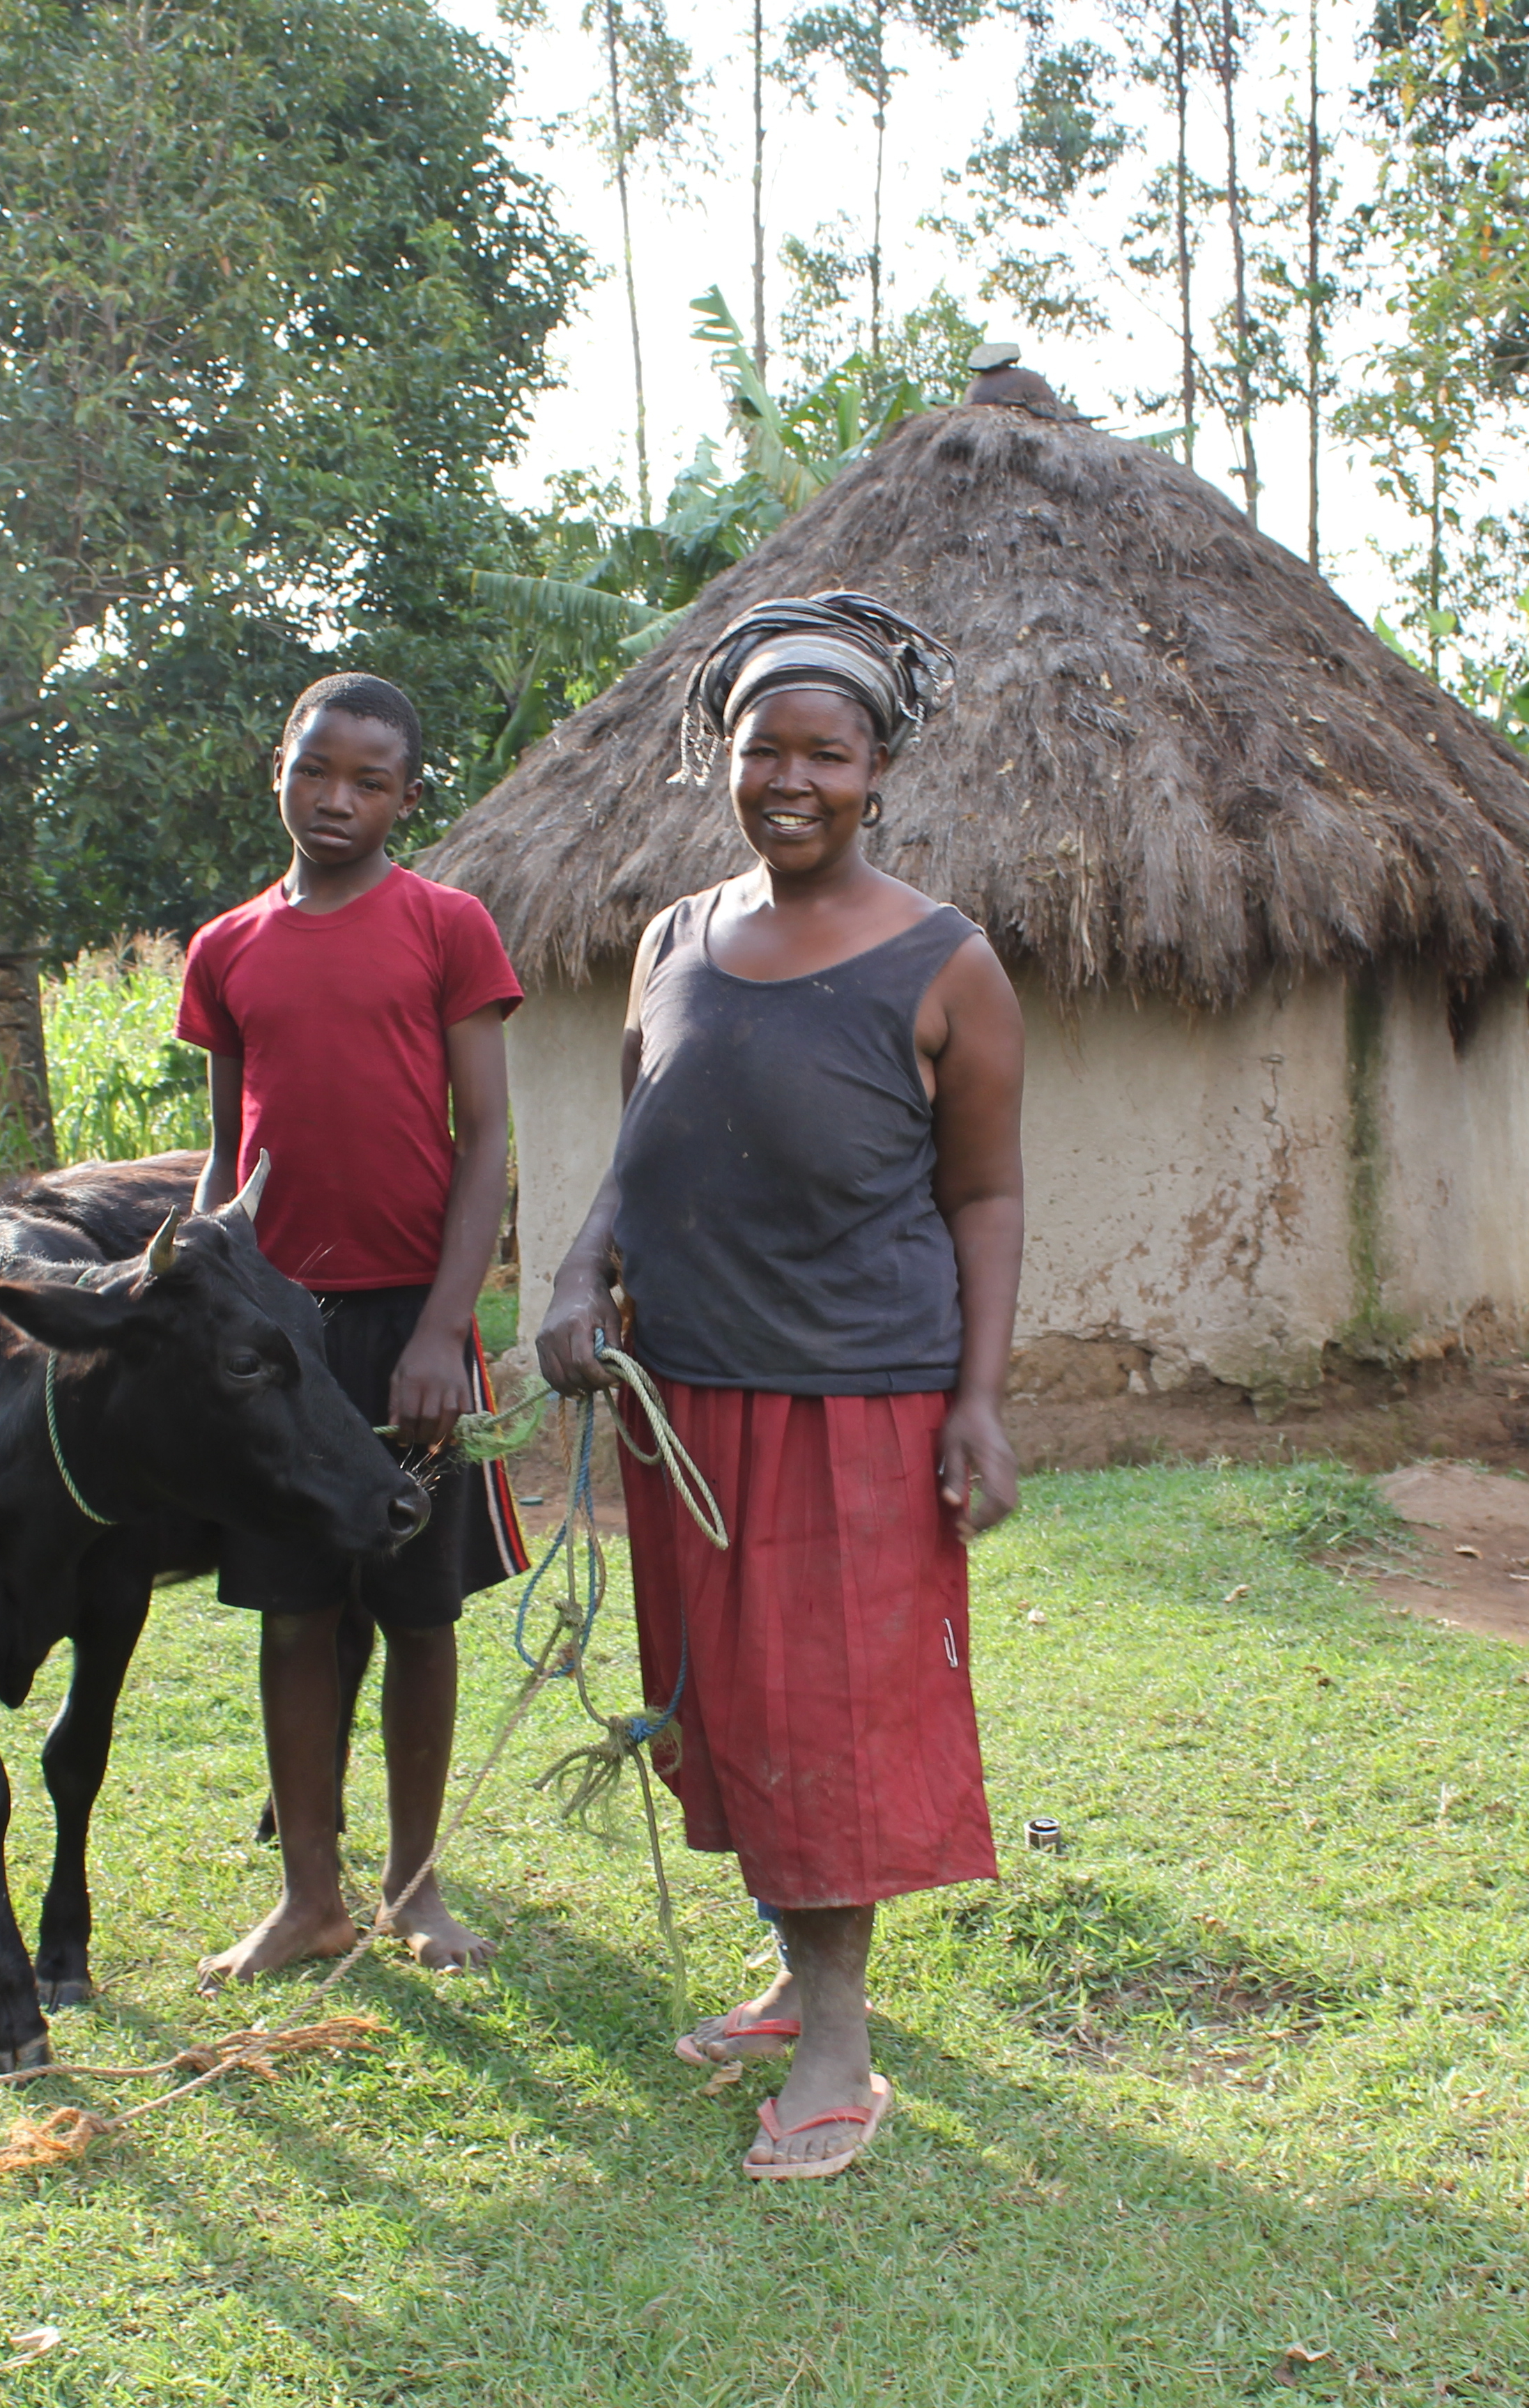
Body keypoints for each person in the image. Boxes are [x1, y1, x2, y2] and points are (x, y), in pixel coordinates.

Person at [535, 592, 1026, 2179]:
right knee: (731, 1707)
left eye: (830, 750)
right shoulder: (676, 940)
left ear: (881, 768)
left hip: (856, 1401)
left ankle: (837, 2047)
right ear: (723, 761)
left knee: (826, 1719)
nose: (793, 778)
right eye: (766, 750)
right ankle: (790, 1976)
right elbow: (643, 1146)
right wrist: (574, 1274)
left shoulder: (951, 966)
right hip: (684, 1402)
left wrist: (978, 1400)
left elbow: (988, 1200)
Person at [178, 670, 529, 1982]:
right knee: (292, 1612)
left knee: (419, 1608)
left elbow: (485, 1135)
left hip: (409, 1325)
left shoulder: (447, 928)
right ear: (280, 767)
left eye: (369, 782)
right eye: (317, 770)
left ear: (405, 797)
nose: (337, 801)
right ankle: (309, 1896)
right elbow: (228, 1150)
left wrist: (448, 1328)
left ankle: (416, 1887)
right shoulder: (226, 950)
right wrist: (209, 1302)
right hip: (278, 1338)